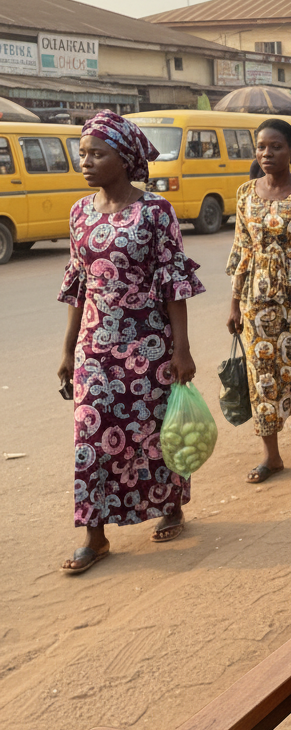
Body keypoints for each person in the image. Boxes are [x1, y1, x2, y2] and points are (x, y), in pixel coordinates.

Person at [58, 111, 204, 574]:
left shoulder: (155, 212)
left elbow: (173, 285)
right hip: (95, 348)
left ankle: (170, 505)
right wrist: (67, 349)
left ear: (124, 159)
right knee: (90, 436)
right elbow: (79, 285)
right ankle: (94, 536)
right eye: (83, 154)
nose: (86, 162)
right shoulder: (79, 212)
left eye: (97, 154)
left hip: (148, 344)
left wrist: (181, 350)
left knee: (153, 433)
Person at [226, 118, 291, 483]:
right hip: (257, 302)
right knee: (262, 378)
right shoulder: (245, 193)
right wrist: (234, 303)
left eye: (275, 146)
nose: (266, 153)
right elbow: (241, 250)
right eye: (261, 147)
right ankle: (271, 456)